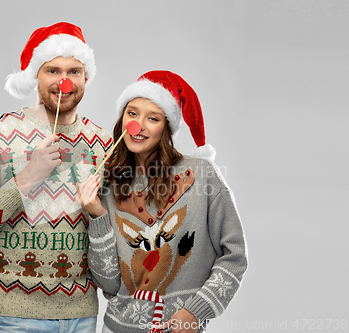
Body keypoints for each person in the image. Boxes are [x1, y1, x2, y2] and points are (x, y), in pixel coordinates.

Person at [0, 22, 113, 333]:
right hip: (13, 319)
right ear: (34, 75)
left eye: (74, 71)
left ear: (86, 77)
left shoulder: (103, 144)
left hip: (82, 317)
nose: (64, 81)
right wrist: (27, 177)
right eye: (53, 70)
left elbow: (113, 236)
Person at [78, 70, 248, 333]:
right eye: (132, 113)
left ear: (166, 127)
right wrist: (97, 216)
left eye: (153, 118)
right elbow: (109, 284)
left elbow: (235, 257)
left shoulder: (202, 175)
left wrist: (195, 311)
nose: (138, 125)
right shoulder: (108, 183)